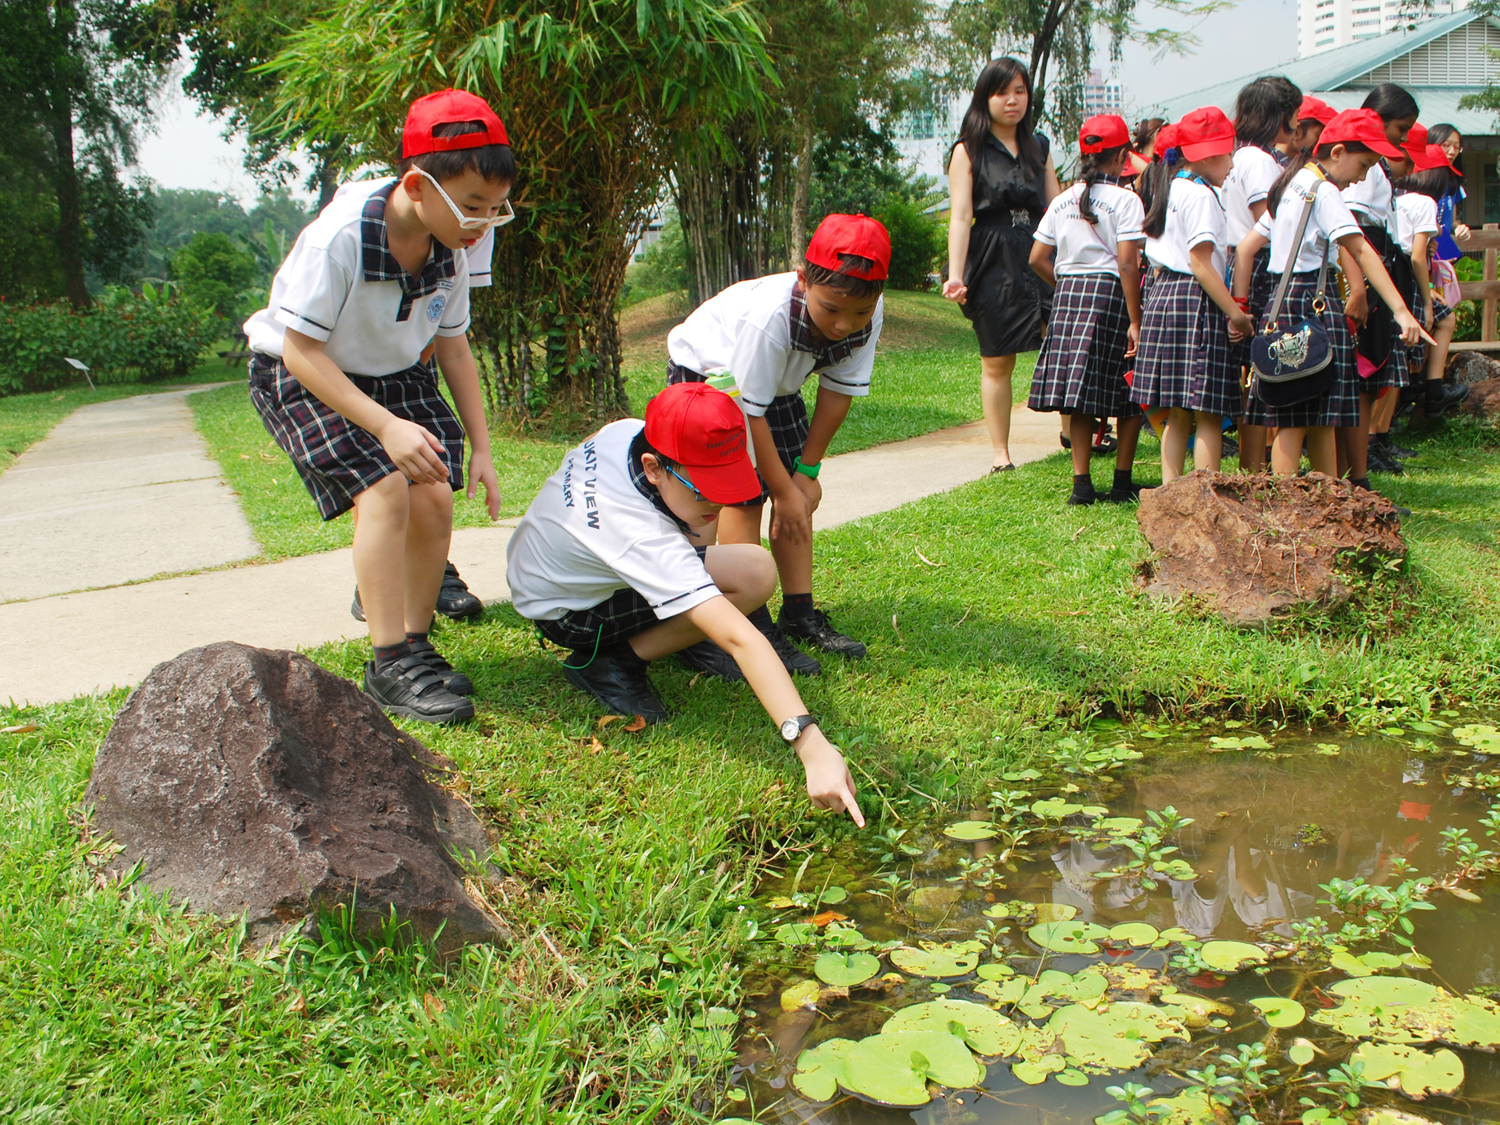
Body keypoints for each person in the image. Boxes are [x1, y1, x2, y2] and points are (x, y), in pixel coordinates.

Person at [243, 89, 512, 724]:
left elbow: (453, 347)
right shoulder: (339, 238)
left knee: (435, 493)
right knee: (387, 488)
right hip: (304, 369)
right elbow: (302, 350)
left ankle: (415, 648)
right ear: (418, 186)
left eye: (497, 208)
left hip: (395, 372)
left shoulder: (466, 235)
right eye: (474, 206)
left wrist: (482, 446)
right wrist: (386, 427)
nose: (484, 223)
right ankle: (387, 660)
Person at [504, 381, 865, 825]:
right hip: (567, 612)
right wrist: (811, 747)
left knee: (754, 571)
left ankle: (683, 633)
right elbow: (740, 637)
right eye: (704, 487)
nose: (720, 499)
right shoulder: (639, 534)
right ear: (653, 467)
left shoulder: (628, 432)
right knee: (738, 590)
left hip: (558, 567)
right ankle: (607, 664)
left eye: (727, 481)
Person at [663, 213, 890, 675]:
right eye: (831, 309)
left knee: (797, 500)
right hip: (708, 381)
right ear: (805, 281)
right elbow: (748, 413)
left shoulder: (868, 311)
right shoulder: (769, 318)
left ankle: (799, 613)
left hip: (771, 391)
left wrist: (805, 476)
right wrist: (782, 490)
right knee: (739, 499)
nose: (845, 324)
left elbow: (838, 392)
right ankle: (743, 622)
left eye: (860, 312)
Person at [1233, 109, 1429, 480]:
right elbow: (1361, 250)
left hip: (1284, 299)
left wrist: (1241, 304)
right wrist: (1402, 311)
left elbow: (1247, 247)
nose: (1362, 177)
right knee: (1297, 419)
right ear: (1337, 152)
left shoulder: (1290, 184)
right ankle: (1290, 511)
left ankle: (1327, 500)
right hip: (1312, 301)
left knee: (1317, 415)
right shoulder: (1323, 191)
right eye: (1364, 164)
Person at [943, 57, 1062, 472]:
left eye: (1020, 91)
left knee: (1062, 337)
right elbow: (960, 215)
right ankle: (1000, 454)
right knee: (997, 359)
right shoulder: (968, 150)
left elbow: (1055, 205)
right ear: (985, 98)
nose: (1012, 101)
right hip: (991, 254)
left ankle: (1071, 430)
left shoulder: (1040, 146)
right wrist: (956, 274)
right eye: (1002, 92)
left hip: (1040, 249)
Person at [1027, 113, 1148, 506]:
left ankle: (1081, 484)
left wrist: (1065, 285)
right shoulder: (1127, 200)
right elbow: (1128, 263)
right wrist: (1135, 318)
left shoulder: (1061, 199)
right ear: (1123, 155)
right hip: (1112, 293)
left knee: (1077, 392)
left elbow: (1037, 257)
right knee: (1129, 386)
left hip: (1069, 295)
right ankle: (1121, 481)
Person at [1131, 106, 1255, 482]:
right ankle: (1206, 497)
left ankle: (1171, 494)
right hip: (1196, 300)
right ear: (1209, 154)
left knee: (1178, 411)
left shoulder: (1171, 187)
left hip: (1164, 296)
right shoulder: (1200, 196)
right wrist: (1235, 312)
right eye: (1228, 153)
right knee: (1209, 410)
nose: (1232, 163)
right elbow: (1201, 263)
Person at [1339, 84, 1420, 489]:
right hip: (1367, 281)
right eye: (1400, 129)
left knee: (1369, 380)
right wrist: (1358, 289)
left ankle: (1360, 469)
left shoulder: (1379, 168)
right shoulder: (1365, 170)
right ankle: (1356, 475)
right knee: (1360, 379)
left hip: (1380, 270)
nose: (1403, 139)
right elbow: (1351, 233)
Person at [1222, 76, 1302, 473]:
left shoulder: (1237, 155)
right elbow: (1266, 224)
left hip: (1238, 268)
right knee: (1258, 373)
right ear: (1280, 116)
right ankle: (1253, 468)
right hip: (1256, 270)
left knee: (1250, 372)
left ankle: (1252, 466)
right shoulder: (1261, 161)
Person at [1394, 143, 1471, 420]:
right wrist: (1426, 297)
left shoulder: (1397, 198)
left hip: (1393, 276)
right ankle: (1432, 391)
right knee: (1442, 320)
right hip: (1412, 280)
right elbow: (1417, 256)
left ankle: (1413, 393)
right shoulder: (1425, 202)